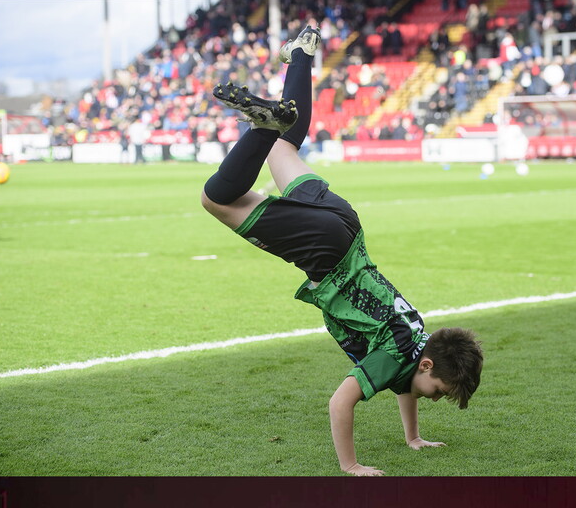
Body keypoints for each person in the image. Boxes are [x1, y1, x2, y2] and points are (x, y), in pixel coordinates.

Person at [200, 25, 483, 477]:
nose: (432, 397)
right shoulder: (398, 358)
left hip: (345, 224)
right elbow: (341, 401)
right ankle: (261, 125)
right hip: (326, 253)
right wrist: (350, 466)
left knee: (285, 145)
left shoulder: (416, 339)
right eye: (437, 391)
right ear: (427, 364)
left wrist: (412, 437)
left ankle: (300, 56)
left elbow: (405, 386)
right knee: (217, 199)